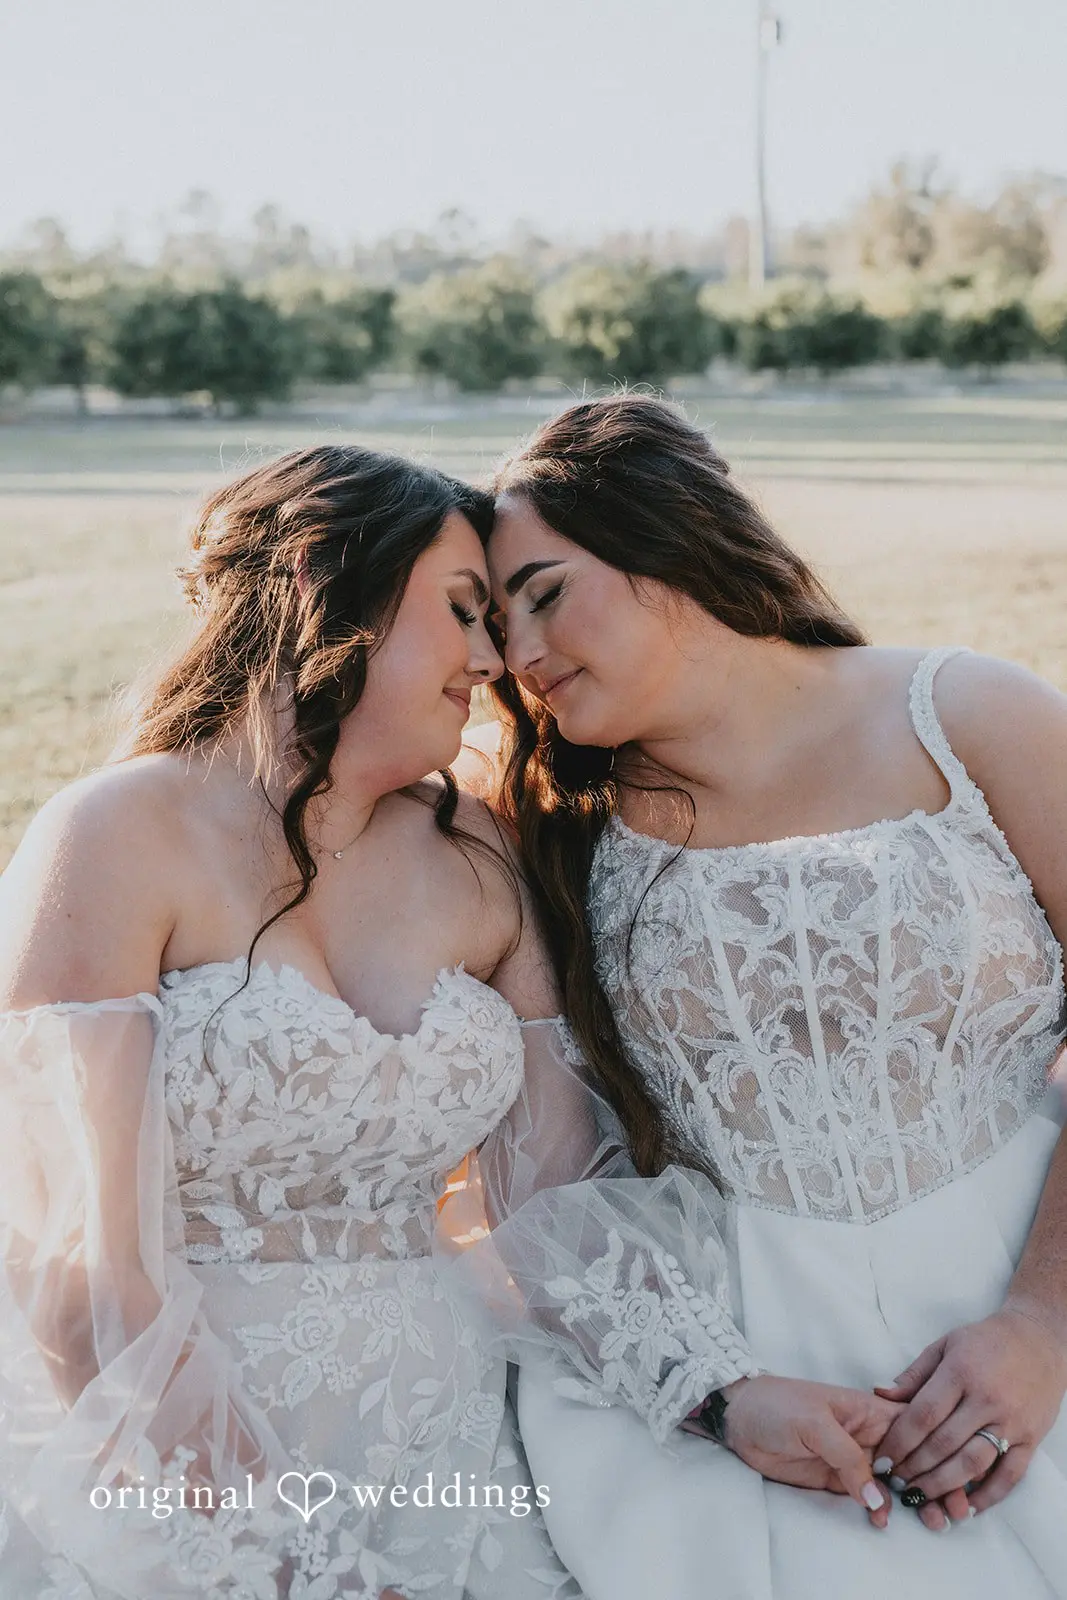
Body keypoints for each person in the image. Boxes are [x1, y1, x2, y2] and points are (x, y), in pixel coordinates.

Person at [458, 394, 1067, 1598]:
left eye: (543, 591)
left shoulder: (966, 714)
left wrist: (1041, 1322)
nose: (516, 654)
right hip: (746, 1356)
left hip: (1025, 1270)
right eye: (491, 622)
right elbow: (552, 1172)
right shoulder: (550, 839)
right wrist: (710, 1392)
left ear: (667, 539)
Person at [0, 445, 593, 1600]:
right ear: (331, 583)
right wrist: (290, 1561)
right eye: (463, 611)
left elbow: (557, 1186)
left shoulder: (479, 850)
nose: (491, 657)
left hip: (457, 1440)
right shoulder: (117, 835)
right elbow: (79, 1269)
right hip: (176, 1457)